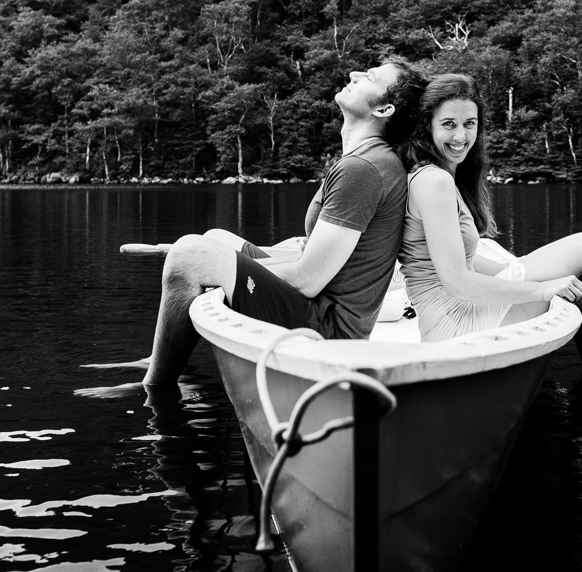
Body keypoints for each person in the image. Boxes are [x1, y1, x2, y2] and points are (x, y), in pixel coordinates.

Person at [123, 58, 426, 388]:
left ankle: (155, 387)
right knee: (215, 238)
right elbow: (321, 261)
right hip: (324, 311)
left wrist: (218, 267)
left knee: (188, 257)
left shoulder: (364, 169)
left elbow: (307, 280)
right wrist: (225, 259)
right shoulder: (369, 161)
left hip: (329, 331)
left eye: (369, 77)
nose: (354, 74)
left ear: (384, 110)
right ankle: (160, 357)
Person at [398, 72, 582, 380]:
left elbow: (459, 256)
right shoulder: (433, 180)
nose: (461, 136)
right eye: (448, 124)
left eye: (469, 124)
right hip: (455, 328)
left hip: (453, 316)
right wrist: (543, 288)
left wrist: (520, 268)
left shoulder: (439, 175)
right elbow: (457, 282)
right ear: (428, 126)